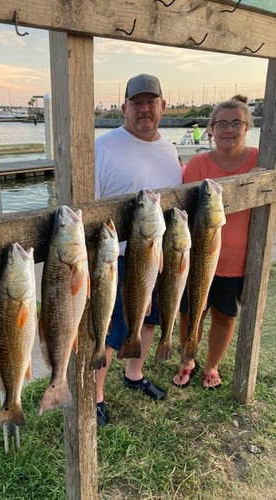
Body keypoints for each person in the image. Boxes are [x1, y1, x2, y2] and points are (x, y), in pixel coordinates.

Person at [95, 74, 182, 426]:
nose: (144, 109)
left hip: (159, 253)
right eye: (137, 102)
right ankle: (96, 395)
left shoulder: (170, 149)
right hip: (115, 258)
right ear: (124, 107)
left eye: (151, 102)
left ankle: (134, 373)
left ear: (163, 105)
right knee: (110, 328)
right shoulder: (102, 147)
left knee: (149, 318)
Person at [172, 95, 261, 390]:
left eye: (236, 122)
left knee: (225, 315)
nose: (228, 129)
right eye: (221, 123)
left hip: (237, 260)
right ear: (210, 129)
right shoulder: (197, 164)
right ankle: (187, 358)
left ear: (246, 126)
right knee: (191, 312)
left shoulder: (260, 160)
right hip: (197, 259)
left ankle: (212, 365)